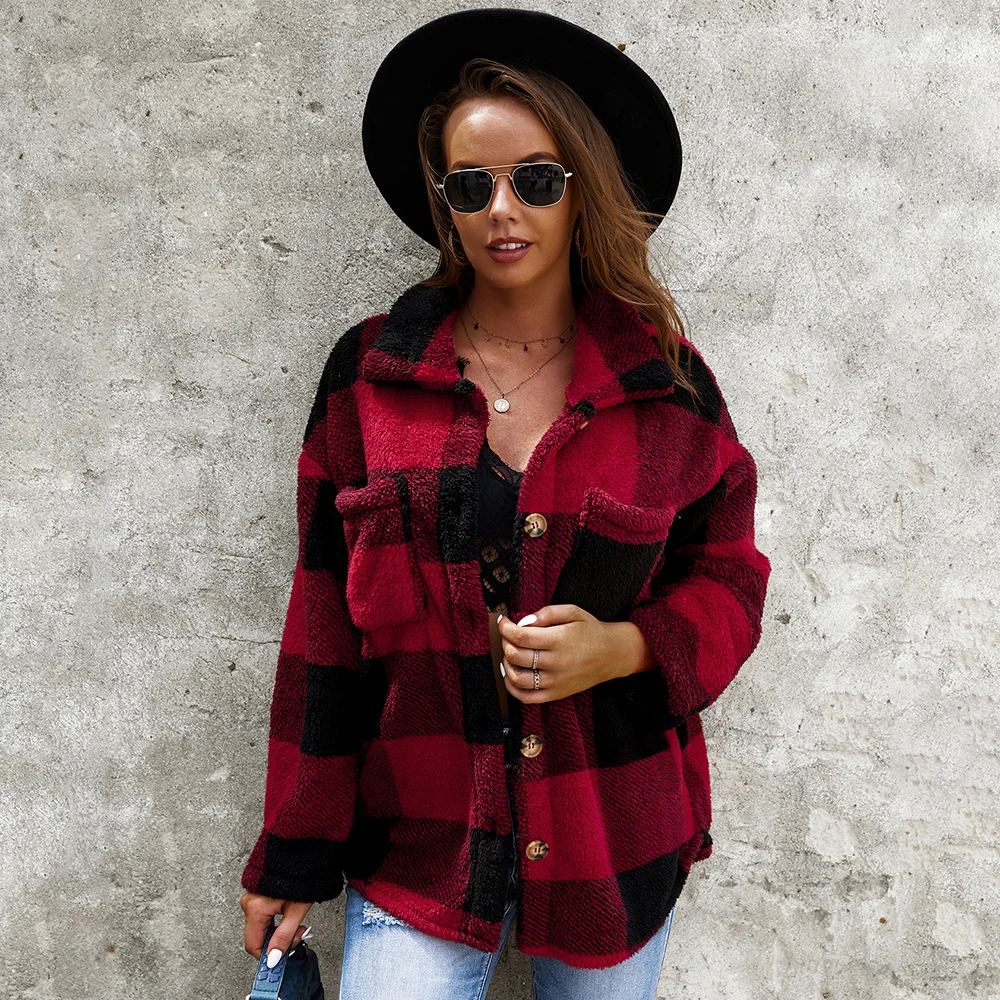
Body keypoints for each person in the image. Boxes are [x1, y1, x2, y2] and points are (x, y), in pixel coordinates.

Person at [239, 9, 772, 999]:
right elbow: (322, 631)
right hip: (422, 845)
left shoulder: (666, 386)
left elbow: (731, 582)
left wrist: (627, 647)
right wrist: (292, 855)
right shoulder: (371, 377)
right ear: (444, 202)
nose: (501, 209)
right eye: (470, 185)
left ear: (580, 189)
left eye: (536, 179)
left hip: (614, 837)